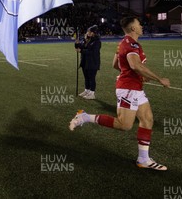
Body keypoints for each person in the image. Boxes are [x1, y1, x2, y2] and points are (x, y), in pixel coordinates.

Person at [69, 16, 171, 170]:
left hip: (135, 88)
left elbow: (115, 64)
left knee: (147, 119)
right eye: (139, 24)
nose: (141, 26)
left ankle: (143, 159)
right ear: (133, 29)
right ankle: (85, 117)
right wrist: (159, 79)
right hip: (128, 90)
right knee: (124, 125)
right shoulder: (131, 44)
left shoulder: (123, 43)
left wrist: (138, 75)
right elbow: (135, 65)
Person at [75, 25, 102, 99]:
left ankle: (92, 93)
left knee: (91, 78)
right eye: (87, 31)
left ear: (93, 33)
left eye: (89, 32)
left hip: (92, 62)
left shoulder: (97, 42)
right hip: (85, 62)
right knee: (86, 77)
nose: (87, 33)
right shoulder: (86, 39)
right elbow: (80, 46)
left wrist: (81, 51)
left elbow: (93, 52)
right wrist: (77, 43)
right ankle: (86, 90)